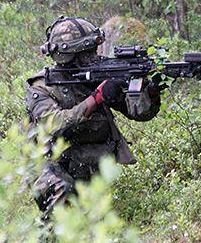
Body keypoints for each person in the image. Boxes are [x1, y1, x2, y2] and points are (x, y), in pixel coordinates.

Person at [25, 16, 163, 222]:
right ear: (67, 55)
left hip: (85, 162)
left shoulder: (94, 76)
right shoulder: (42, 87)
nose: (92, 57)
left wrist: (148, 93)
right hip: (46, 164)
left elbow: (138, 114)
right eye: (85, 53)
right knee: (63, 196)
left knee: (92, 221)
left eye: (93, 51)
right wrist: (96, 98)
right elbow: (54, 124)